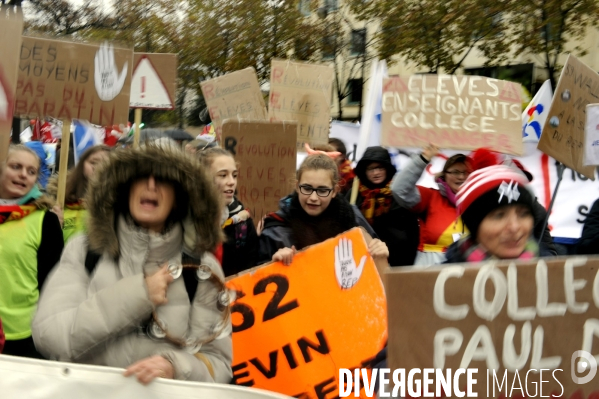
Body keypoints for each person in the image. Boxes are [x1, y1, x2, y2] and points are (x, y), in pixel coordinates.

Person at [33, 144, 232, 384]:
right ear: (124, 189)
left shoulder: (202, 268)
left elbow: (218, 364)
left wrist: (175, 366)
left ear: (179, 197)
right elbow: (50, 337)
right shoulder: (86, 251)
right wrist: (139, 295)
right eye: (140, 177)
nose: (151, 185)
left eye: (164, 179)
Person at [258, 153, 389, 265]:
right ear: (297, 186)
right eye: (307, 188)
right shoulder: (275, 230)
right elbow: (255, 281)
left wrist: (380, 253)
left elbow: (376, 275)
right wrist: (272, 264)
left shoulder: (354, 220)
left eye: (322, 190)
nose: (313, 197)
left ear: (335, 191)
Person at [0, 145, 64, 358]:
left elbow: (52, 285)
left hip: (22, 337)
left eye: (31, 171)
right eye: (15, 166)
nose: (22, 175)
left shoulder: (45, 220)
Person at [445, 165, 554, 262]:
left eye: (523, 214)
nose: (514, 227)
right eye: (499, 216)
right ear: (474, 227)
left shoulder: (553, 277)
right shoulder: (439, 282)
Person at [392, 144, 470, 266]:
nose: (461, 177)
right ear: (444, 175)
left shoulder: (481, 203)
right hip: (430, 277)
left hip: (468, 277)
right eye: (455, 172)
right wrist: (423, 159)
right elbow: (399, 189)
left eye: (466, 172)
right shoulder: (431, 197)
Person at [347, 146, 419, 266]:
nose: (376, 173)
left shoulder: (399, 193)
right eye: (371, 169)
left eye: (379, 168)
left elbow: (412, 233)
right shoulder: (355, 193)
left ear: (387, 169)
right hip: (361, 261)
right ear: (364, 171)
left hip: (397, 262)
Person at [198, 147, 258, 277]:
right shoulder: (186, 219)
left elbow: (252, 269)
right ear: (202, 178)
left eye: (234, 175)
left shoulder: (243, 222)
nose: (231, 182)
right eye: (223, 175)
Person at [46, 145, 111, 242]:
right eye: (93, 162)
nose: (98, 167)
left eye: (105, 164)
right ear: (82, 165)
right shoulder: (59, 200)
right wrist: (52, 227)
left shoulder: (118, 205)